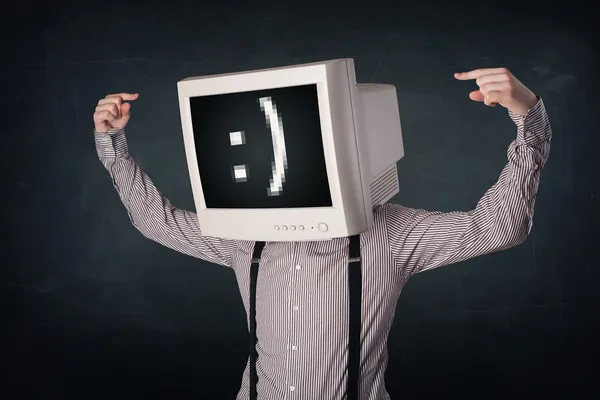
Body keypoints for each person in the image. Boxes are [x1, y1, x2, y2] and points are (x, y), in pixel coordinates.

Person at [93, 67, 552, 400]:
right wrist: (112, 143)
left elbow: (499, 226)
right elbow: (158, 221)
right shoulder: (243, 234)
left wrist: (528, 119)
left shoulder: (390, 234)